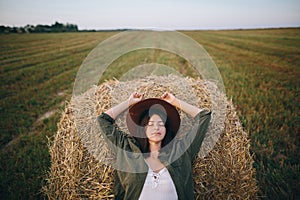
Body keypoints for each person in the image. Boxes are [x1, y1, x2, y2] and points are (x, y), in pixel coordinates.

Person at [97, 92, 211, 200]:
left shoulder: (180, 151)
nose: (156, 128)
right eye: (150, 124)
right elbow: (103, 120)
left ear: (166, 129)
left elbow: (204, 117)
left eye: (161, 124)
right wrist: (129, 102)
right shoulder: (127, 149)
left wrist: (175, 102)